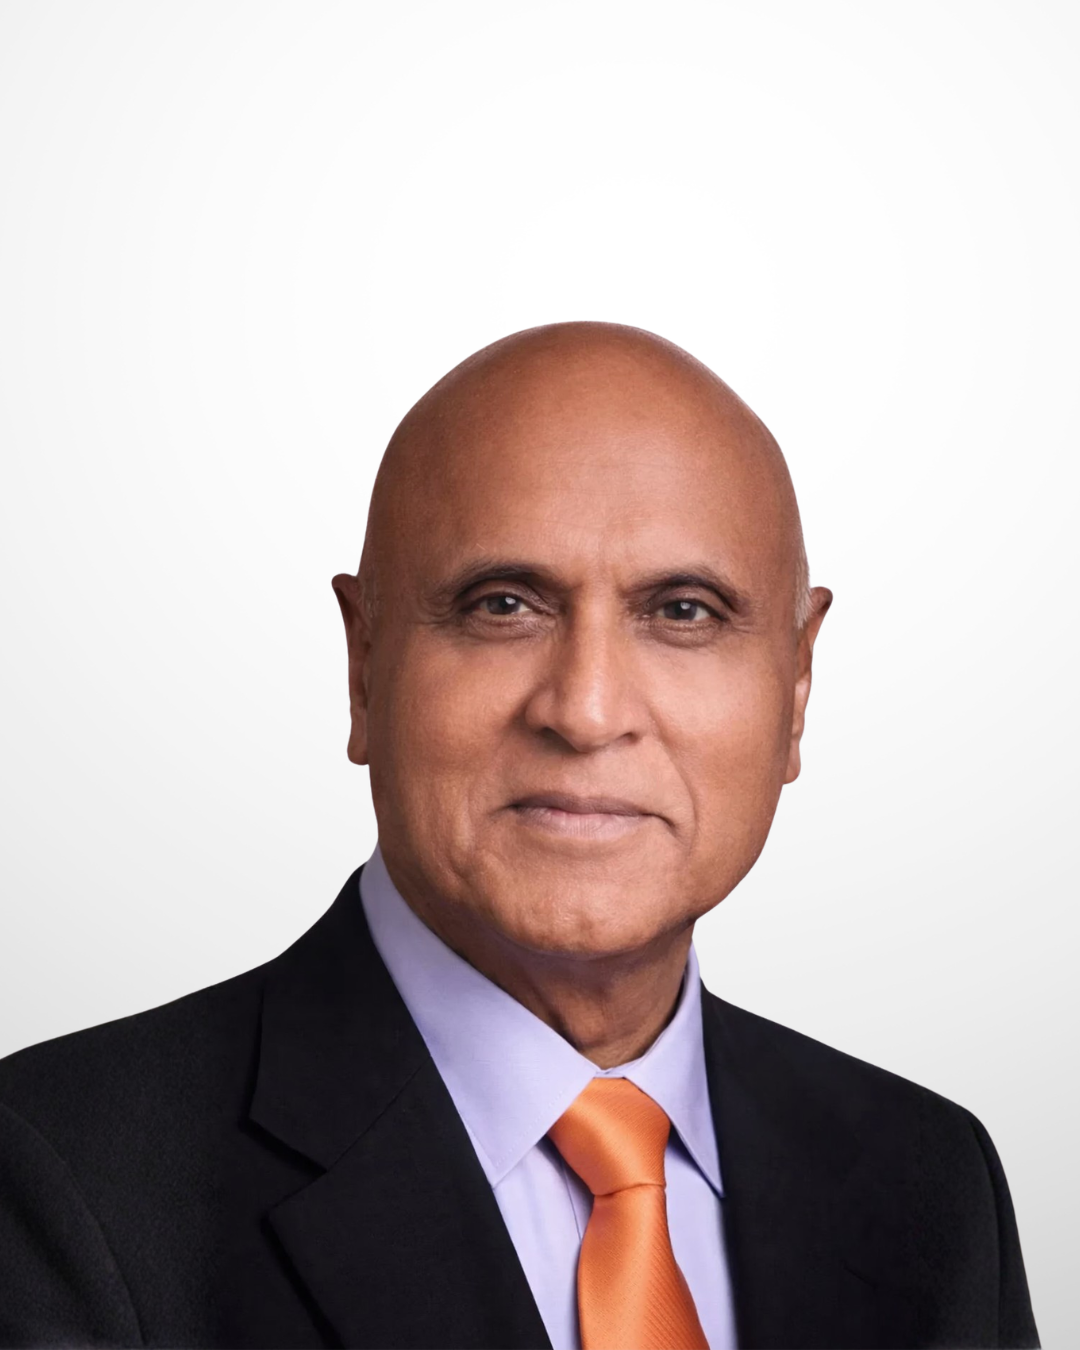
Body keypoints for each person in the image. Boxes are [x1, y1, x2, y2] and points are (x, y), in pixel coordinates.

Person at [0, 322, 1038, 1350]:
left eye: (684, 611)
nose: (585, 711)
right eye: (504, 605)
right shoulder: (61, 1180)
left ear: (797, 687)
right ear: (364, 668)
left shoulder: (931, 1186)